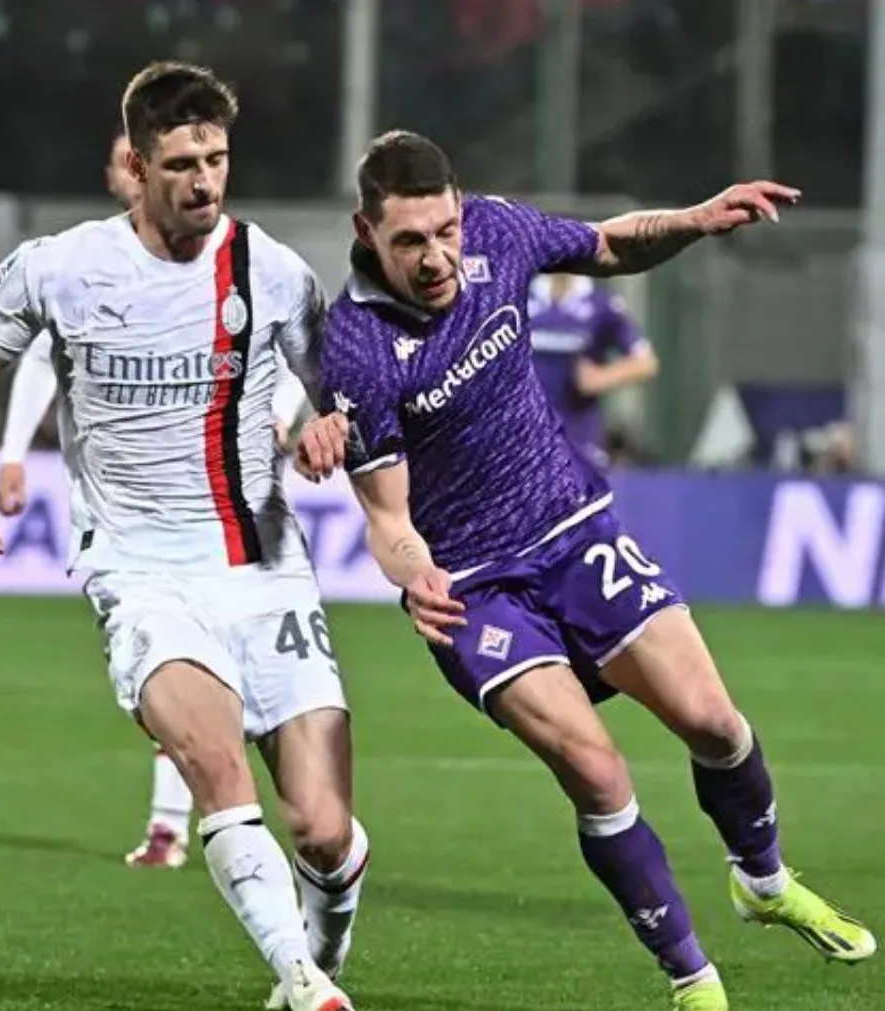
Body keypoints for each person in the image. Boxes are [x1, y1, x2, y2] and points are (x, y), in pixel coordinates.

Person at [295, 130, 874, 1011]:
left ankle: (761, 881)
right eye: (410, 240)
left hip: (573, 531)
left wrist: (694, 219)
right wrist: (414, 574)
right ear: (364, 231)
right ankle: (693, 981)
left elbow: (607, 245)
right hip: (477, 588)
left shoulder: (496, 231)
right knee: (598, 774)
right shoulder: (358, 347)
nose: (435, 256)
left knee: (715, 723)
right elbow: (388, 518)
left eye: (444, 230)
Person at [0, 62, 367, 1011]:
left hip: (263, 567)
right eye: (180, 164)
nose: (204, 182)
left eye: (216, 160)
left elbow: (330, 393)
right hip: (138, 571)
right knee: (216, 769)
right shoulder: (61, 267)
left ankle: (318, 958)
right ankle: (303, 984)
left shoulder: (270, 271)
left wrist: (323, 427)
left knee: (323, 831)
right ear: (135, 165)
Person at [0, 127, 311, 873]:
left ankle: (278, 836)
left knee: (244, 702)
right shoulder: (83, 268)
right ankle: (179, 824)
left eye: (207, 161)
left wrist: (289, 415)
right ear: (125, 175)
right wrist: (11, 453)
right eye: (131, 163)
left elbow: (286, 346)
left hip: (233, 510)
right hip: (139, 525)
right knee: (179, 667)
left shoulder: (241, 260)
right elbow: (36, 360)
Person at [527, 273, 658, 468]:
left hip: (579, 437)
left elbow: (646, 362)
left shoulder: (600, 304)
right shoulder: (521, 295)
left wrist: (602, 377)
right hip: (525, 436)